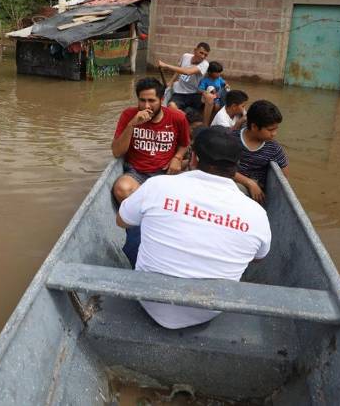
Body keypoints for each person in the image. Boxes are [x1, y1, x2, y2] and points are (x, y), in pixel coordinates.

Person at [116, 126, 271, 329]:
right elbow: (258, 258)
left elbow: (121, 221)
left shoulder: (158, 185)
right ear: (237, 165)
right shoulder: (256, 213)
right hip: (208, 310)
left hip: (149, 300)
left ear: (194, 158)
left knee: (139, 221)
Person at [112, 77, 190, 266]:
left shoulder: (177, 118)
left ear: (161, 100)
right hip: (137, 172)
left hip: (165, 174)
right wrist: (132, 124)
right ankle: (149, 221)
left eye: (151, 101)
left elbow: (184, 144)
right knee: (121, 188)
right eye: (142, 100)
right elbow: (117, 151)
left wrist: (177, 158)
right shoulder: (128, 115)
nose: (146, 105)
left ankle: (149, 218)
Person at [231, 100, 289, 203]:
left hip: (255, 193)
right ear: (254, 127)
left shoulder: (274, 149)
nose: (274, 134)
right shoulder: (232, 139)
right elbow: (220, 167)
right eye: (270, 130)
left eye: (276, 129)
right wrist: (249, 182)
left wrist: (254, 184)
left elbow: (284, 180)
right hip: (233, 183)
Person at [157, 42, 210, 116]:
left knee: (203, 105)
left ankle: (187, 116)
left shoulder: (205, 64)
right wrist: (171, 82)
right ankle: (183, 116)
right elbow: (179, 70)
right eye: (201, 53)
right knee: (171, 106)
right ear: (195, 50)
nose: (203, 56)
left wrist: (166, 65)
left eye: (205, 55)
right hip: (179, 93)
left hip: (194, 93)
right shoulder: (185, 56)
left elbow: (188, 72)